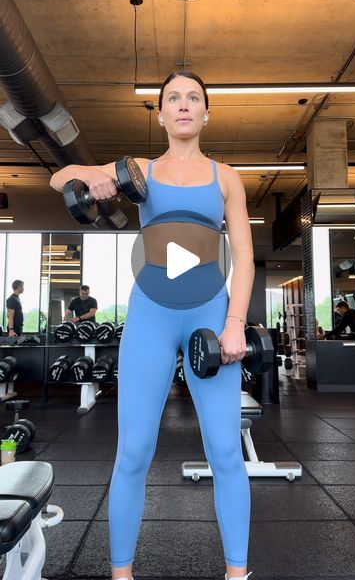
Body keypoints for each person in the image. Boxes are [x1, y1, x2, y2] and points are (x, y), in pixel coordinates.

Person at [50, 70, 254, 580]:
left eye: (194, 98)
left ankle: (237, 574)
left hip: (211, 314)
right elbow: (59, 178)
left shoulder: (227, 177)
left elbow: (245, 259)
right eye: (172, 99)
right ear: (160, 114)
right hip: (151, 317)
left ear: (206, 113)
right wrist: (91, 178)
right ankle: (122, 575)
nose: (183, 105)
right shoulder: (136, 169)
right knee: (134, 450)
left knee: (226, 449)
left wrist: (234, 325)